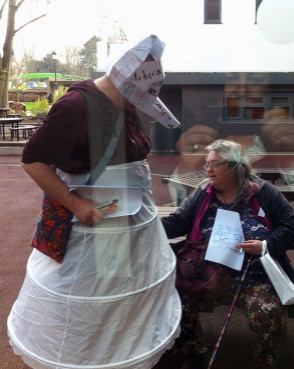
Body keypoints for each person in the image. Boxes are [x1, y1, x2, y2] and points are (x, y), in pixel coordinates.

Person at [7, 35, 182, 369]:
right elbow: (32, 161)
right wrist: (74, 204)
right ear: (128, 85)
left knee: (123, 294)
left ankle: (119, 355)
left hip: (128, 220)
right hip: (92, 223)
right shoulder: (76, 106)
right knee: (87, 296)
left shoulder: (125, 104)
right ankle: (82, 358)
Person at [161, 139, 294, 369]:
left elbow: (290, 226)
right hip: (205, 276)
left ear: (235, 165)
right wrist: (144, 228)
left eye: (215, 163)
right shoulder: (203, 193)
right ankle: (194, 351)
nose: (208, 169)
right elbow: (177, 222)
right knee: (176, 304)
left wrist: (265, 245)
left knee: (271, 314)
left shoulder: (264, 192)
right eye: (207, 163)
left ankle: (264, 359)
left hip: (252, 278)